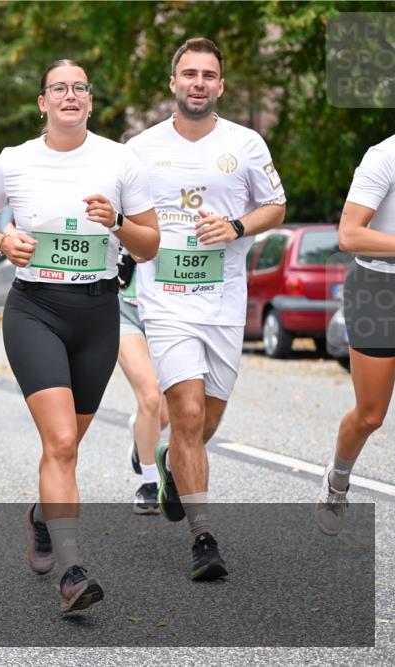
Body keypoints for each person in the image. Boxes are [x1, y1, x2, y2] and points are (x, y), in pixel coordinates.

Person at [0, 58, 159, 613]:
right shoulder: (13, 162)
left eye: (79, 88)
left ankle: (40, 516)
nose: (70, 96)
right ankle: (74, 572)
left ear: (91, 102)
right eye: (59, 88)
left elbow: (149, 246)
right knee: (58, 442)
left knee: (68, 446)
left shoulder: (120, 161)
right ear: (43, 103)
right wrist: (1, 243)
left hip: (97, 313)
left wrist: (118, 224)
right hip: (35, 311)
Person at [127, 37, 286, 580]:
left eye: (208, 75)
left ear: (220, 85)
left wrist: (236, 226)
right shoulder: (141, 148)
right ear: (173, 83)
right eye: (189, 73)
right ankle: (203, 537)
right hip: (165, 299)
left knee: (206, 420)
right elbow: (126, 218)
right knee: (188, 413)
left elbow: (276, 205)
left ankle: (175, 464)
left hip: (224, 301)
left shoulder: (246, 144)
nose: (198, 82)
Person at [316, 134, 395, 535]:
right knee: (370, 415)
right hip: (379, 290)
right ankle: (337, 481)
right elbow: (349, 235)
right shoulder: (384, 156)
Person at [117, 248, 169, 514]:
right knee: (150, 396)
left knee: (164, 413)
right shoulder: (126, 206)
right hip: (124, 310)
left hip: (169, 315)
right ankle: (150, 483)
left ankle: (141, 437)